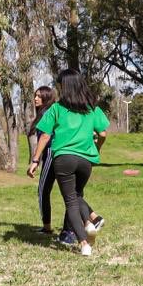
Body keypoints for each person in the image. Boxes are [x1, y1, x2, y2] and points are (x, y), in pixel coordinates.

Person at [27, 69, 108, 257]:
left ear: (65, 86)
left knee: (71, 201)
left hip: (64, 158)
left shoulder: (56, 108)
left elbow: (45, 135)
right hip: (86, 161)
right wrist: (96, 149)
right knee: (77, 195)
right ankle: (90, 222)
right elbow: (103, 134)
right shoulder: (92, 108)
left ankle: (83, 243)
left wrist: (35, 160)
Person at [28, 85, 57, 235]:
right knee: (70, 193)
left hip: (51, 154)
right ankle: (91, 218)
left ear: (47, 98)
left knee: (42, 191)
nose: (36, 99)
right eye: (35, 96)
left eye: (39, 96)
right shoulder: (45, 112)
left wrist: (35, 160)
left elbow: (45, 138)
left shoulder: (47, 113)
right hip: (51, 154)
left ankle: (47, 227)